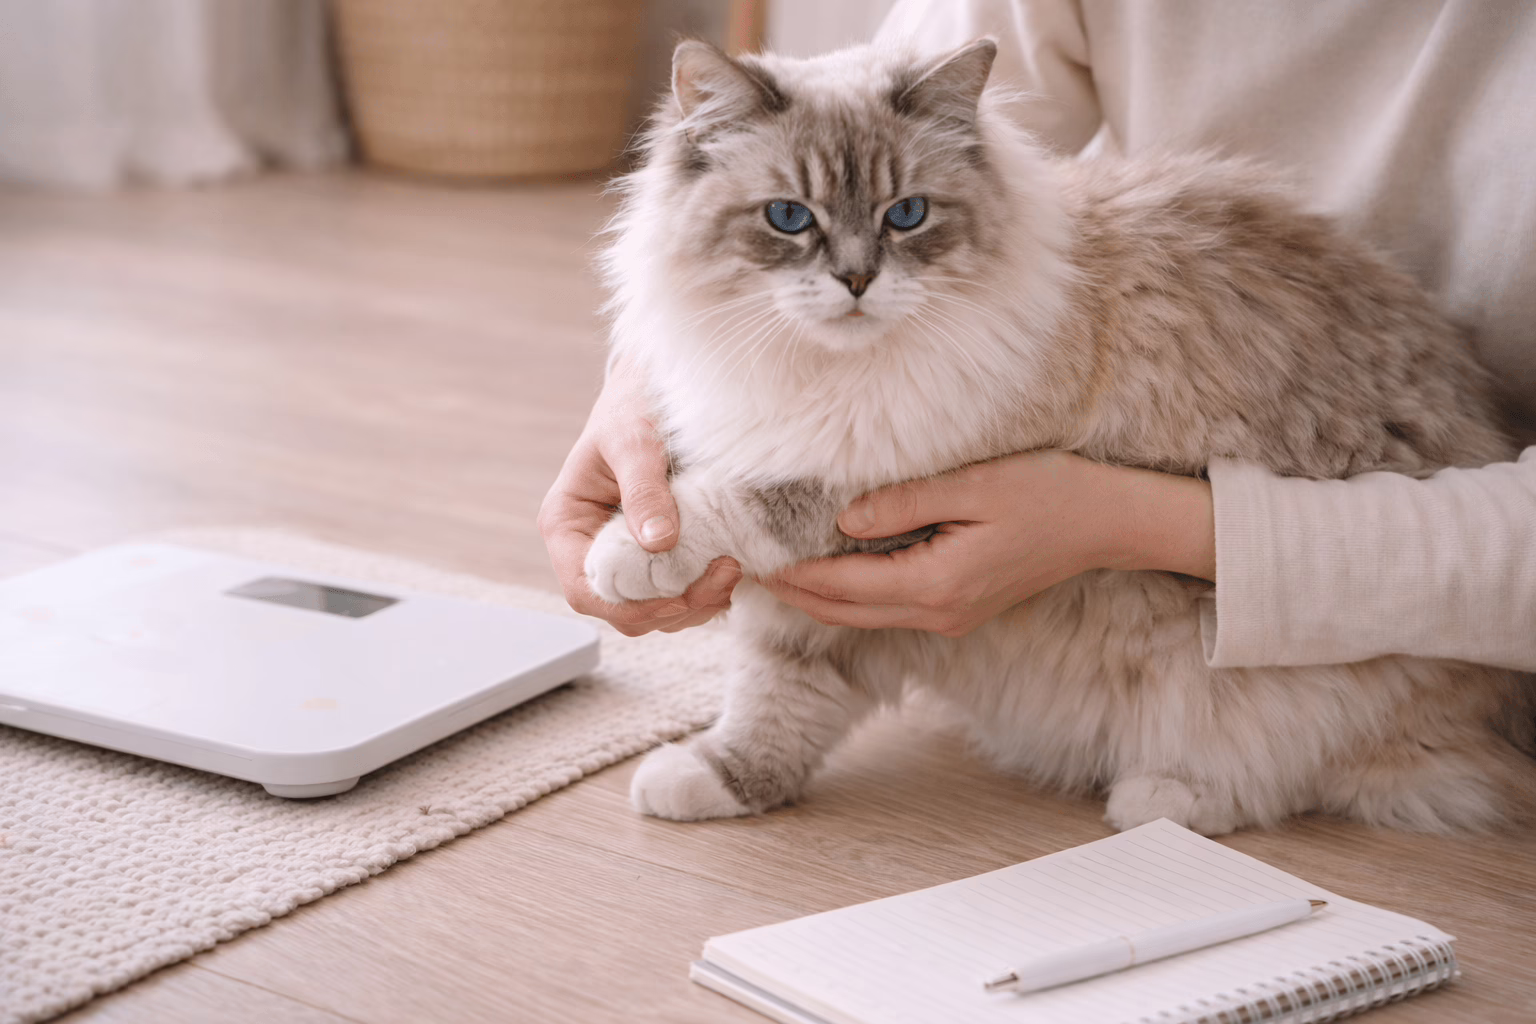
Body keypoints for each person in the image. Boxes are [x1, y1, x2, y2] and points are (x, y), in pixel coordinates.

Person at [538, 0, 1536, 671]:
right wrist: (651, 381)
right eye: (792, 223)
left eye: (899, 222)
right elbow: (888, 86)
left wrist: (1137, 522)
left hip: (1436, 578)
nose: (853, 271)